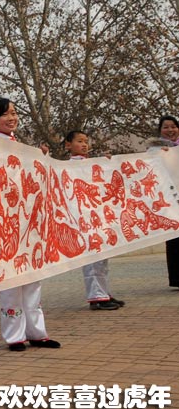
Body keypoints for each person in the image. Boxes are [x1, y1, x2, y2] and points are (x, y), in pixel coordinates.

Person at [0, 97, 60, 352]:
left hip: (27, 223)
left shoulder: (20, 146)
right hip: (4, 222)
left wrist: (40, 158)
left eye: (14, 113)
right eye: (5, 114)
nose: (12, 118)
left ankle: (37, 332)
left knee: (32, 279)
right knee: (11, 281)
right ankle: (15, 335)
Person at [65, 130, 125, 310]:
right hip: (84, 218)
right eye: (79, 141)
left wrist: (107, 164)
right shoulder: (67, 167)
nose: (84, 145)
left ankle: (104, 293)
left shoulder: (92, 164)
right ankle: (96, 297)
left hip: (98, 216)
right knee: (92, 258)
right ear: (68, 145)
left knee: (102, 258)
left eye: (86, 141)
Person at [152, 116, 179, 288]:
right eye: (166, 127)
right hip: (169, 198)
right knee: (175, 238)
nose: (170, 130)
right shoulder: (154, 150)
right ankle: (177, 278)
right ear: (160, 130)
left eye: (173, 126)